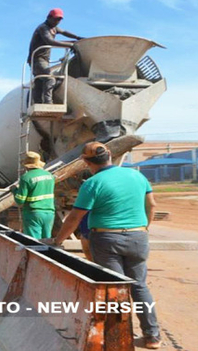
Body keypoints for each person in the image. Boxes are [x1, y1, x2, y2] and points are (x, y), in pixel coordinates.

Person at [48, 142, 162, 349]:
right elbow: (151, 205)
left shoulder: (92, 183)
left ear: (85, 162)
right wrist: (144, 228)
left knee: (114, 287)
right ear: (109, 155)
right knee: (139, 286)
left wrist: (57, 241)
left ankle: (116, 338)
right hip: (139, 237)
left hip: (107, 240)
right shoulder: (137, 176)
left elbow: (74, 218)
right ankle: (152, 336)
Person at [27, 8, 83, 104]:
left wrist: (77, 38)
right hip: (37, 59)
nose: (57, 22)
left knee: (39, 81)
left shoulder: (54, 28)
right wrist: (70, 45)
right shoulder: (43, 28)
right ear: (49, 17)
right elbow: (50, 41)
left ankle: (37, 103)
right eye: (56, 19)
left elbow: (64, 32)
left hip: (44, 60)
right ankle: (48, 102)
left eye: (59, 20)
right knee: (50, 79)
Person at [13, 151, 55, 240]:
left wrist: (14, 190)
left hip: (33, 214)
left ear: (27, 165)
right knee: (47, 242)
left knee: (34, 243)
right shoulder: (50, 176)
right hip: (49, 213)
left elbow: (20, 200)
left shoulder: (26, 177)